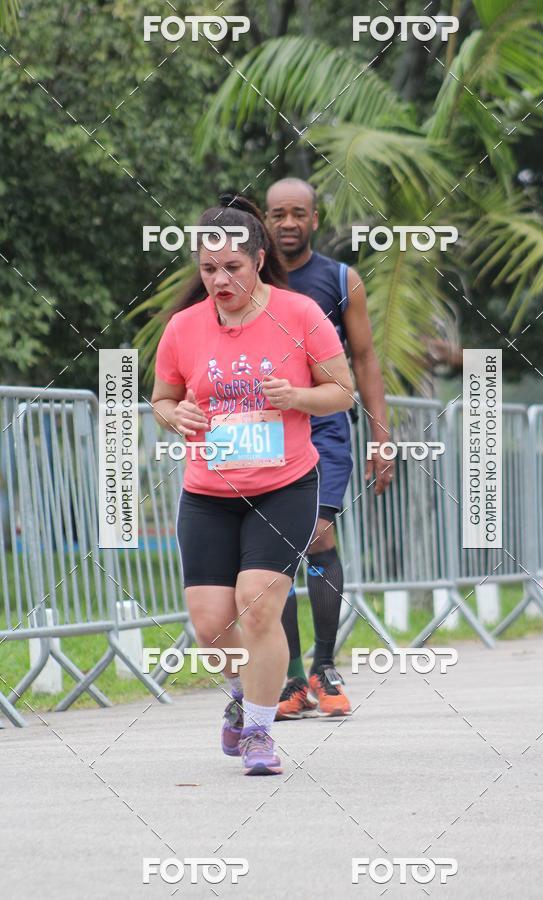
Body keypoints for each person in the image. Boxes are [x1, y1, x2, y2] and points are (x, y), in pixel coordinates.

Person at [151, 194, 353, 776]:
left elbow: (341, 391)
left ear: (258, 260)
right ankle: (243, 694)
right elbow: (163, 397)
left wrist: (297, 399)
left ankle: (262, 734)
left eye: (231, 268)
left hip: (283, 485)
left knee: (258, 606)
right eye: (208, 269)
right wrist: (174, 416)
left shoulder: (299, 315)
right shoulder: (183, 328)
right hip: (209, 493)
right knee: (212, 624)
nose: (219, 280)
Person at [264, 178, 392, 719]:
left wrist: (382, 435)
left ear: (315, 219)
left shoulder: (341, 279)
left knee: (316, 533)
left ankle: (325, 664)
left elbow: (364, 360)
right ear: (265, 221)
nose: (288, 223)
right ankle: (291, 676)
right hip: (263, 427)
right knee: (275, 549)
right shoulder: (246, 278)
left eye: (298, 213)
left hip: (324, 430)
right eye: (277, 214)